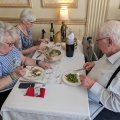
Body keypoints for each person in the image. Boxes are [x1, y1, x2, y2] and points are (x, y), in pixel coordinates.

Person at [0, 21, 51, 109]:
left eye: (13, 43)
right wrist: (14, 75)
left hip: (21, 81)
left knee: (46, 90)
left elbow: (24, 59)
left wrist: (39, 62)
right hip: (8, 92)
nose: (13, 46)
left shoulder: (11, 48)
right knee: (36, 106)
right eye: (10, 44)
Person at [80, 20, 120, 120]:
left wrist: (92, 85)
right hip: (86, 93)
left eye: (98, 40)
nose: (96, 43)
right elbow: (106, 64)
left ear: (110, 41)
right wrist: (95, 63)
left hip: (102, 108)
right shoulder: (111, 52)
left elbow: (117, 105)